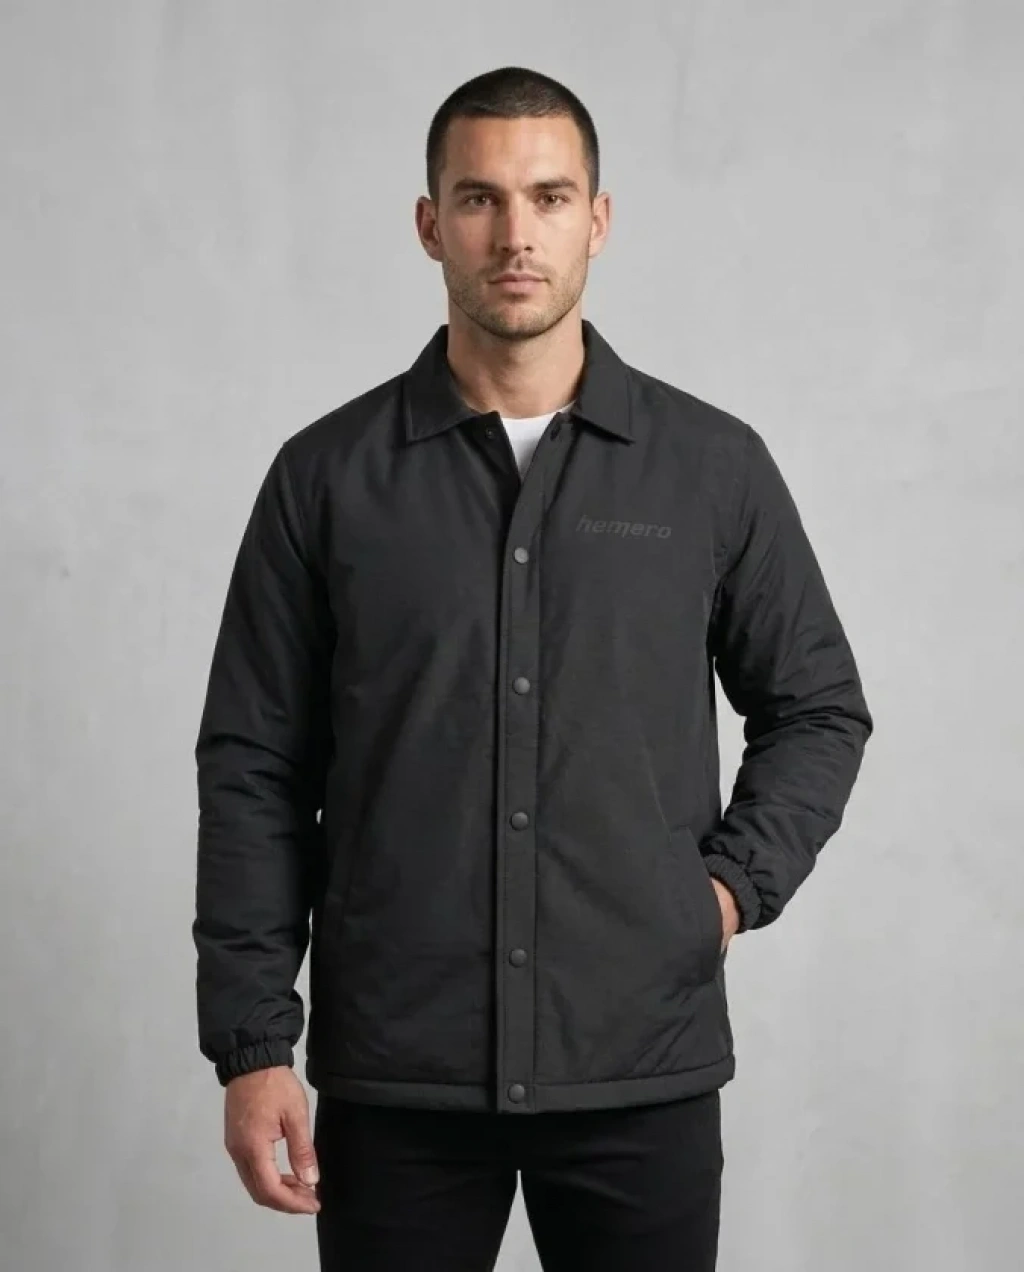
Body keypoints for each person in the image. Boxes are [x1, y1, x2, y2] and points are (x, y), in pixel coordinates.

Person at [193, 64, 873, 1271]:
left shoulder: (709, 468)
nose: (516, 235)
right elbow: (254, 765)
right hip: (399, 1074)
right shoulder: (328, 477)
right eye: (480, 199)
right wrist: (253, 1046)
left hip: (639, 1064)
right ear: (429, 224)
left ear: (597, 220)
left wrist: (723, 892)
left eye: (549, 198)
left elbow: (816, 707)